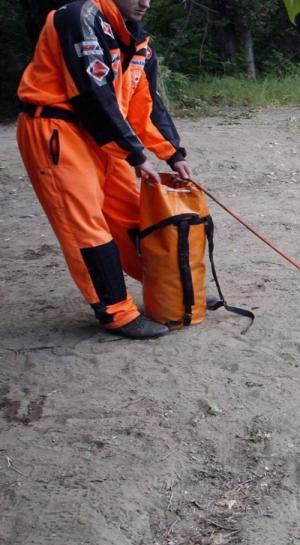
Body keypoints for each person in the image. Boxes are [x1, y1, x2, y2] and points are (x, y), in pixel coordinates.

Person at [16, 0, 192, 339]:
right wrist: (136, 155)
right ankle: (116, 311)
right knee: (87, 226)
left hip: (106, 135)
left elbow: (146, 106)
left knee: (134, 217)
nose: (145, 2)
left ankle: (170, 290)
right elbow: (90, 94)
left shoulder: (139, 43)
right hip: (58, 129)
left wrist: (173, 154)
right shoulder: (78, 17)